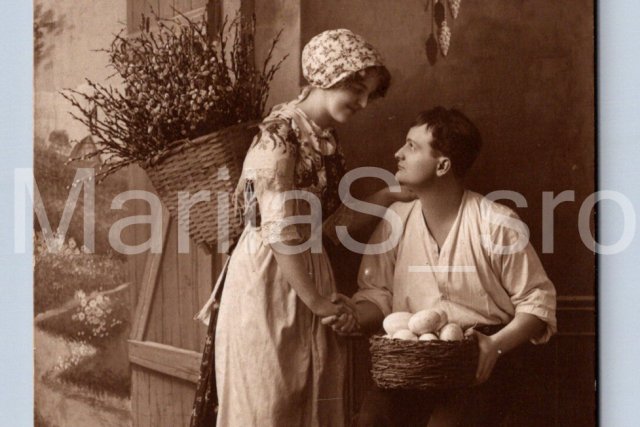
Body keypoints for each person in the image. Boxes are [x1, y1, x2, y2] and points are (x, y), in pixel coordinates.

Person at [192, 29, 412, 427]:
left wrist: (388, 195)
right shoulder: (278, 137)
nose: (363, 103)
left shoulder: (325, 139)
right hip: (269, 279)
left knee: (311, 395)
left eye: (369, 94)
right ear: (326, 77)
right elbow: (280, 232)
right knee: (270, 400)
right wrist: (318, 302)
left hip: (309, 270)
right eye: (356, 90)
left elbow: (330, 225)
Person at [325, 107, 557, 426]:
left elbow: (537, 301)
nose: (398, 153)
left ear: (443, 165)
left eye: (412, 146)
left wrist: (494, 346)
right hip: (413, 358)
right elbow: (377, 294)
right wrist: (354, 315)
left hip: (480, 359)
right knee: (371, 420)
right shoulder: (396, 221)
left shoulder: (496, 223)